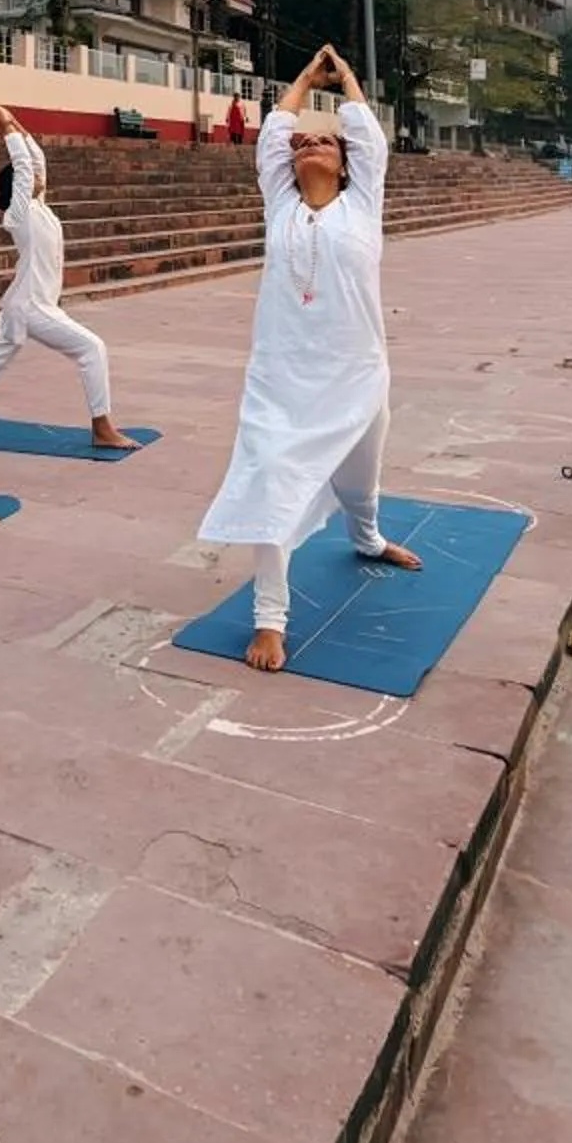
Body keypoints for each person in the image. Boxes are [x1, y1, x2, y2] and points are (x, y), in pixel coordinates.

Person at [197, 43, 420, 672]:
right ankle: (270, 618)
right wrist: (300, 80)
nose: (306, 146)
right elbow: (272, 135)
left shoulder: (363, 205)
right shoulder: (281, 207)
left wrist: (344, 77)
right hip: (280, 377)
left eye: (322, 142)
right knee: (271, 478)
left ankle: (369, 539)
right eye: (301, 147)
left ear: (347, 165)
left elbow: (369, 138)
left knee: (359, 484)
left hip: (356, 374)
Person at [0, 101, 140, 450]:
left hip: (29, 302)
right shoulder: (18, 214)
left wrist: (15, 122)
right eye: (31, 179)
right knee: (92, 349)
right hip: (32, 306)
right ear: (18, 189)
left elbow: (35, 157)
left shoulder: (40, 206)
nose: (39, 177)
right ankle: (102, 428)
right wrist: (5, 126)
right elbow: (24, 165)